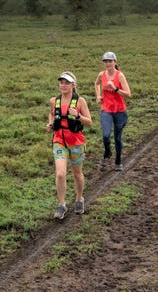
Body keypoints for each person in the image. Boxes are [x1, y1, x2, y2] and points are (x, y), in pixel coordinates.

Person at [46, 71, 92, 219]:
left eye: (66, 83)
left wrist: (78, 116)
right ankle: (61, 205)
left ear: (73, 85)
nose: (63, 85)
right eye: (61, 83)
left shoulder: (80, 101)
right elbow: (52, 114)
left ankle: (79, 199)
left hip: (76, 142)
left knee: (77, 174)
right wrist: (50, 123)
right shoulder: (55, 100)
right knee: (60, 173)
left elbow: (90, 123)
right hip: (59, 140)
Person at [94, 51, 132, 171]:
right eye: (106, 61)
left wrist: (115, 89)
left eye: (110, 61)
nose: (108, 63)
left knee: (117, 138)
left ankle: (118, 160)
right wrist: (98, 96)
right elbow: (96, 84)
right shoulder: (102, 74)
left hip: (119, 111)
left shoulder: (120, 76)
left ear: (115, 62)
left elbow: (128, 94)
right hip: (106, 109)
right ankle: (107, 152)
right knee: (105, 135)